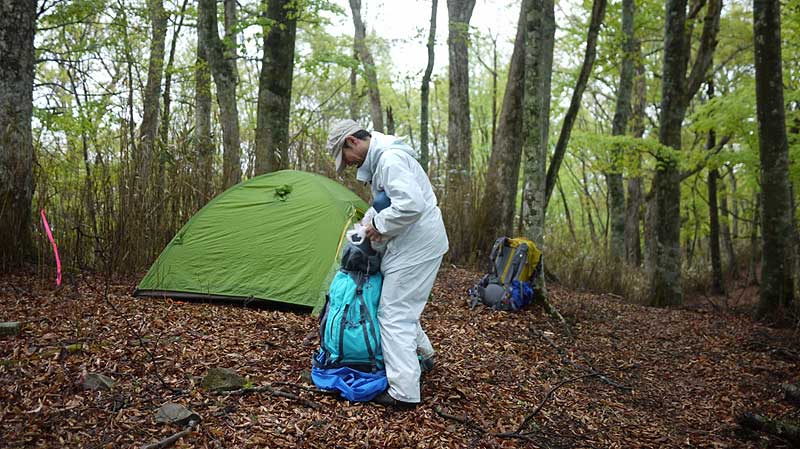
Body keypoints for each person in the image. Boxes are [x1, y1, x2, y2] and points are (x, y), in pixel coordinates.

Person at [327, 119, 448, 407]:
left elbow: (410, 205)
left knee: (393, 313)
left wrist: (377, 226)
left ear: (352, 142)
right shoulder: (384, 159)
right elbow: (384, 203)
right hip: (412, 243)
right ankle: (422, 355)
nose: (349, 165)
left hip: (417, 245)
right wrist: (364, 227)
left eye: (346, 158)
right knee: (399, 304)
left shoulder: (391, 159)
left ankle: (403, 393)